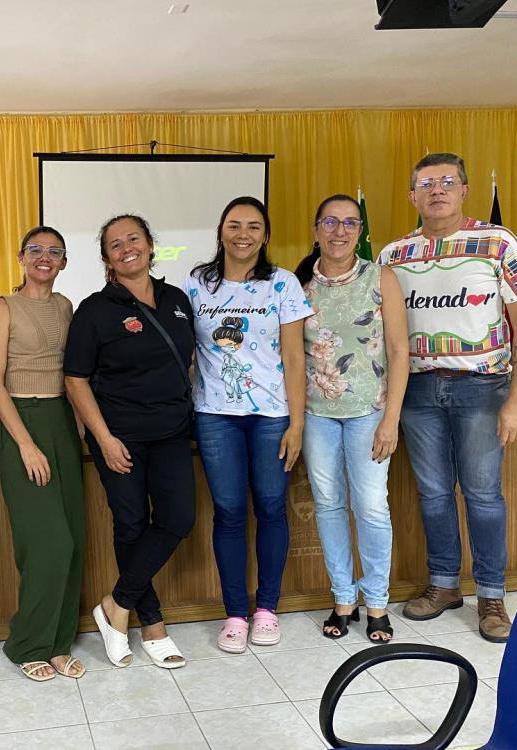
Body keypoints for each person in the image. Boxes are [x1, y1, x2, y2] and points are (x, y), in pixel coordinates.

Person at [378, 153, 517, 643]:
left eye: (447, 181)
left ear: (464, 190)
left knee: (483, 495)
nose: (437, 190)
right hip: (417, 391)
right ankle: (445, 584)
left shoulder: (498, 243)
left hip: (482, 388)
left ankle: (491, 595)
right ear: (412, 196)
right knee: (432, 494)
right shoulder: (393, 256)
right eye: (426, 183)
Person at [64, 214, 194, 670]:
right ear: (107, 259)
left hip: (172, 432)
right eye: (115, 245)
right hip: (119, 438)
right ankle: (152, 625)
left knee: (178, 518)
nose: (126, 249)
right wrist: (103, 438)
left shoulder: (177, 300)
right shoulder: (95, 310)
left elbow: (189, 360)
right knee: (131, 524)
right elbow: (76, 380)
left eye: (133, 239)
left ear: (150, 245)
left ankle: (116, 605)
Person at [184, 196, 311, 652]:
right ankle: (235, 614)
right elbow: (185, 349)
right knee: (229, 511)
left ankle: (267, 610)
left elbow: (294, 358)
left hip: (272, 416)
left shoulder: (283, 283)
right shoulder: (197, 283)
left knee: (272, 507)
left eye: (254, 226)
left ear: (266, 234)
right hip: (215, 415)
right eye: (234, 225)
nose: (244, 234)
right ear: (221, 231)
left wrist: (297, 424)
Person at [294, 194, 409, 642]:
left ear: (359, 231)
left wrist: (391, 418)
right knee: (329, 505)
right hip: (318, 415)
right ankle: (344, 598)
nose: (339, 231)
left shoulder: (380, 277)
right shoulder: (299, 283)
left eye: (349, 223)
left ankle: (376, 601)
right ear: (316, 229)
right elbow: (292, 355)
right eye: (330, 222)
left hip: (370, 412)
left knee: (372, 506)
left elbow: (398, 350)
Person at [0, 226, 86, 682]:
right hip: (22, 422)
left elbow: (71, 374)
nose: (45, 257)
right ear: (21, 257)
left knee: (74, 539)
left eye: (54, 251)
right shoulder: (2, 308)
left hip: (62, 421)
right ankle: (27, 642)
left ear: (63, 262)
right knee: (47, 542)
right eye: (36, 250)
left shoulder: (66, 307)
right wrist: (25, 444)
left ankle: (59, 643)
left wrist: (78, 428)